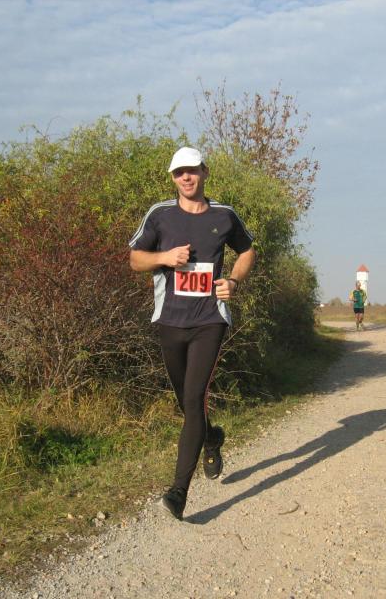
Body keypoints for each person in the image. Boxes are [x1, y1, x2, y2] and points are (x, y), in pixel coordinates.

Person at [128, 147, 256, 520]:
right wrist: (164, 258)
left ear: (205, 172)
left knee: (195, 396)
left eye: (192, 170)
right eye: (179, 172)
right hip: (169, 320)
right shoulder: (160, 214)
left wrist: (233, 281)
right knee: (187, 403)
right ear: (173, 178)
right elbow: (135, 258)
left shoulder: (224, 215)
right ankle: (211, 437)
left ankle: (178, 493)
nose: (186, 177)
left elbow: (247, 251)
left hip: (209, 320)